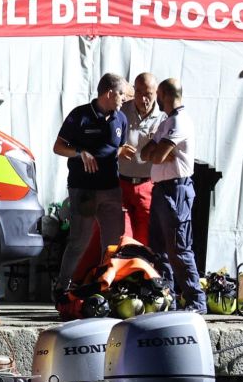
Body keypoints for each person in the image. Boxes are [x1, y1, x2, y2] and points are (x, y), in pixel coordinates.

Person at [52, 73, 130, 302]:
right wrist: (80, 153)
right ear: (109, 93)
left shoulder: (121, 119)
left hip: (111, 190)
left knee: (113, 243)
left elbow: (114, 148)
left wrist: (121, 152)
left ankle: (107, 287)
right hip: (83, 190)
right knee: (79, 241)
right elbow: (57, 147)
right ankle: (62, 289)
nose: (124, 99)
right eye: (122, 95)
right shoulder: (80, 115)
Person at [142, 77, 203, 311]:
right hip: (161, 188)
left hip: (176, 189)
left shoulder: (180, 122)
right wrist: (162, 150)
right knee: (159, 249)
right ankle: (169, 299)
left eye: (157, 94)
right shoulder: (166, 122)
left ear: (165, 95)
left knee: (179, 247)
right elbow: (146, 152)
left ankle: (196, 300)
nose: (155, 99)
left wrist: (161, 151)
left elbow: (155, 156)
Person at [119, 72, 164, 248]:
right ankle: (124, 272)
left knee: (145, 236)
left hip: (148, 184)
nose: (143, 99)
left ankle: (140, 272)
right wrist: (118, 150)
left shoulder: (164, 117)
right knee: (124, 235)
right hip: (122, 183)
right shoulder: (122, 111)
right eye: (139, 93)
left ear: (157, 93)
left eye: (148, 94)